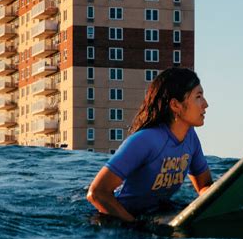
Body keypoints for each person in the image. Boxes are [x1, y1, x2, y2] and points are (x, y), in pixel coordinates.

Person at [87, 67, 213, 223]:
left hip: (156, 212)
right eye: (198, 97)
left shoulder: (190, 138)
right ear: (175, 105)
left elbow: (205, 185)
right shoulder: (145, 140)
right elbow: (97, 193)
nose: (205, 104)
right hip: (117, 220)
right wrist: (135, 226)